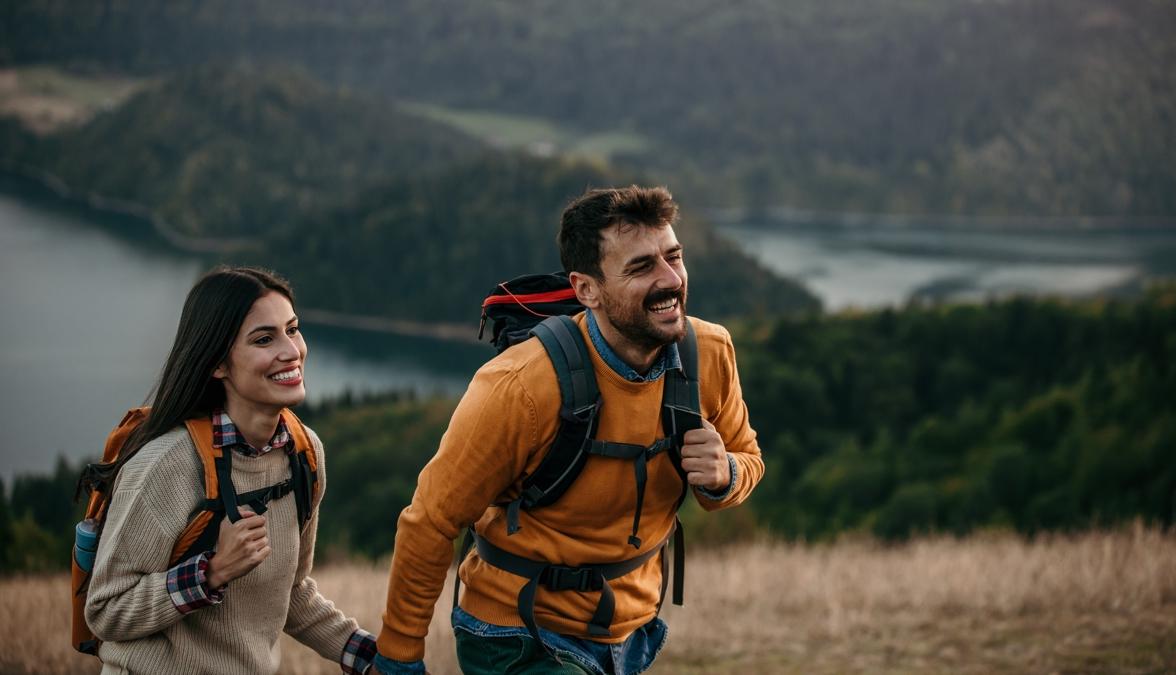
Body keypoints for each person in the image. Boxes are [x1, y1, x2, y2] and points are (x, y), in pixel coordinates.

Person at [373, 185, 764, 674]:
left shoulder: (708, 352)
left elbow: (748, 457)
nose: (670, 280)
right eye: (641, 267)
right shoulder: (521, 387)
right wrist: (399, 657)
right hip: (517, 632)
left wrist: (724, 473)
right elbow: (431, 520)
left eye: (674, 257)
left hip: (630, 630)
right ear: (586, 290)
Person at [84, 266, 377, 674]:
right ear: (218, 363)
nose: (291, 351)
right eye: (264, 339)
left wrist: (371, 658)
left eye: (292, 330)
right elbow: (104, 611)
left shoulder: (304, 454)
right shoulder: (165, 466)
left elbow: (289, 593)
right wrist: (213, 572)